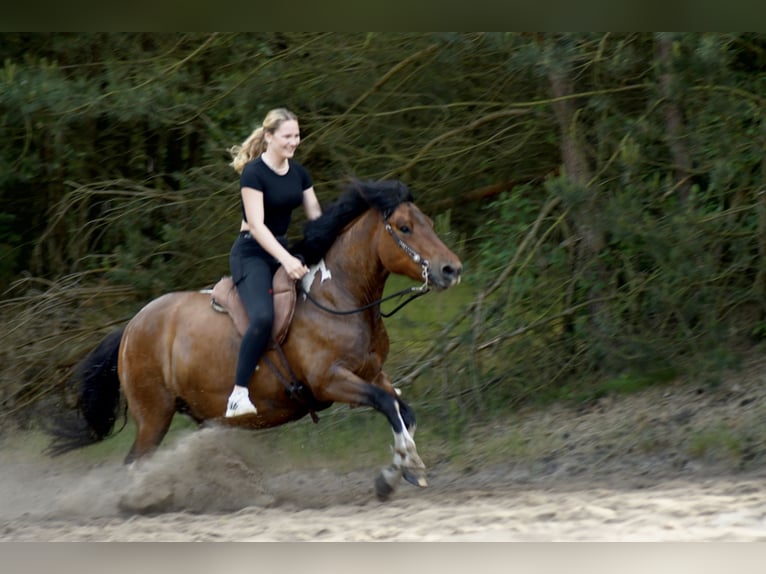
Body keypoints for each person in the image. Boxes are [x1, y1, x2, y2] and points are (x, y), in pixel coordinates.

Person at [225, 108, 322, 417]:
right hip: (252, 253)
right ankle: (238, 394)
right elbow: (256, 225)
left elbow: (317, 218)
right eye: (287, 136)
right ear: (268, 137)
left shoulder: (300, 173)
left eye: (297, 136)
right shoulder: (254, 173)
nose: (294, 142)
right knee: (264, 318)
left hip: (281, 251)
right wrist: (287, 259)